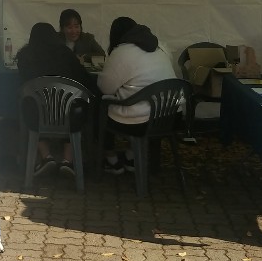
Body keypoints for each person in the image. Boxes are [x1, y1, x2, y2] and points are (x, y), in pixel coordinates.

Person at [16, 21, 99, 178]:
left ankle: (46, 157)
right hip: (67, 114)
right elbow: (85, 79)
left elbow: (23, 83)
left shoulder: (25, 56)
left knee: (29, 105)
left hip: (38, 114)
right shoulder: (65, 53)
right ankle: (68, 161)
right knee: (74, 106)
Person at [97, 17, 177, 175]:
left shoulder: (122, 52)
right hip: (170, 116)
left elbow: (105, 88)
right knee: (140, 101)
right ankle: (131, 156)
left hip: (140, 122)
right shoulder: (161, 47)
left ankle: (111, 158)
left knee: (103, 104)